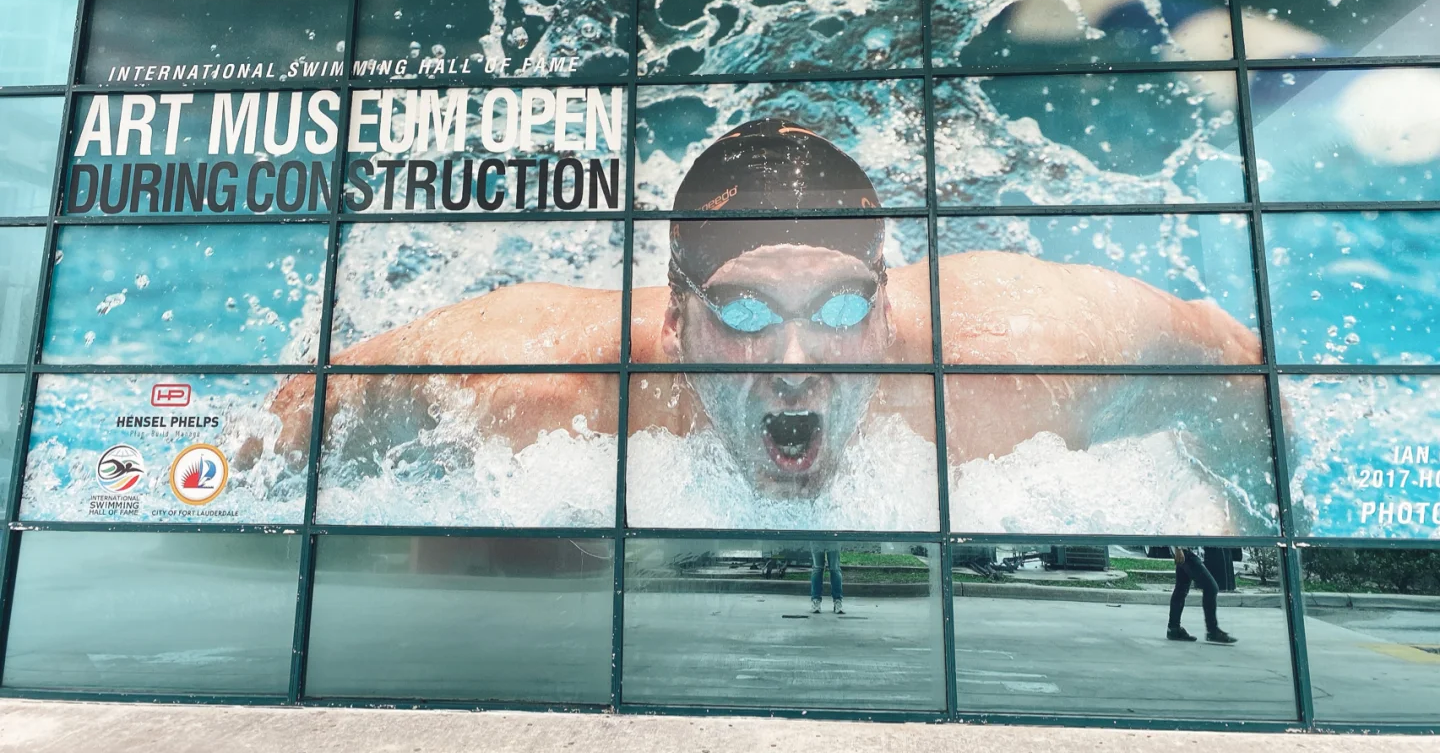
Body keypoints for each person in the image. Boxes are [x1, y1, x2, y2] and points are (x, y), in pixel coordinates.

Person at [261, 119, 1261, 510]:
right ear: (673, 320)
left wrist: (1269, 529)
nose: (795, 360)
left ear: (885, 307)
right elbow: (299, 411)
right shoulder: (533, 384)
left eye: (836, 307)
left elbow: (1237, 366)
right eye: (742, 311)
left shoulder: (1025, 364)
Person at [1168, 546, 1237, 644]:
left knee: (1181, 588)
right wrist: (1178, 548)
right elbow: (1175, 530)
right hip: (1185, 551)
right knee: (1211, 588)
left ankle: (1173, 628)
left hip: (1187, 550)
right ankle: (1212, 630)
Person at [810, 543, 843, 614]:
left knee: (833, 568)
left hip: (830, 535)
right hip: (822, 535)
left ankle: (837, 600)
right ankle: (817, 600)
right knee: (820, 568)